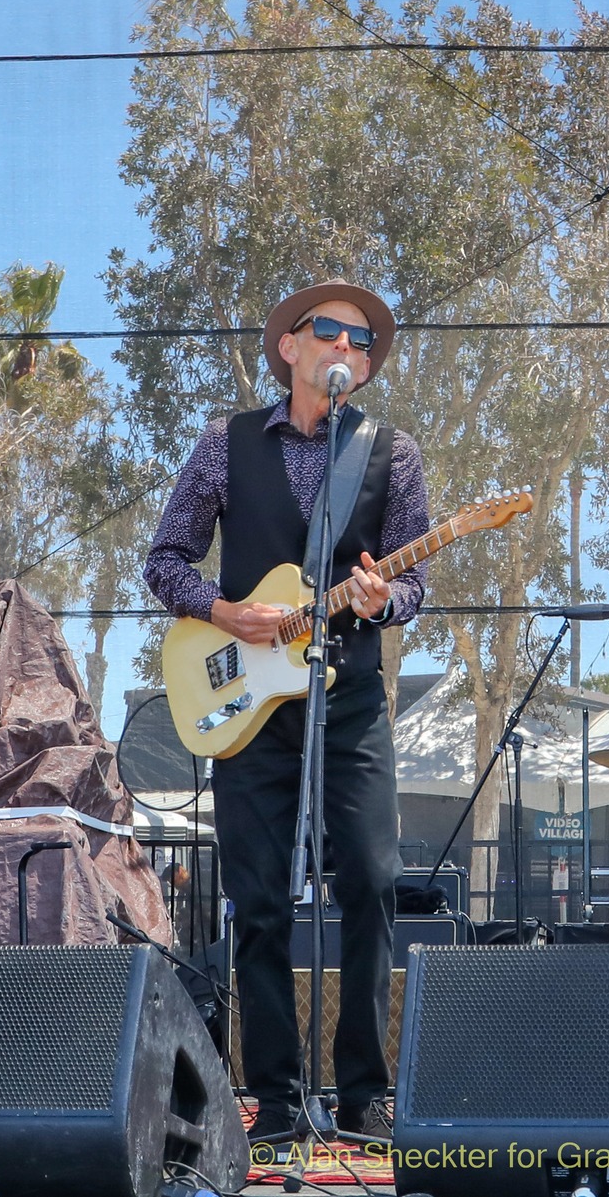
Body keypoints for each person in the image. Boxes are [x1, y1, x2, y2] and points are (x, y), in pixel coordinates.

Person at [143, 282, 428, 1146]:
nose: (348, 344)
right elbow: (164, 561)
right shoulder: (225, 444)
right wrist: (227, 614)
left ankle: (364, 1094)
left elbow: (413, 588)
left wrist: (381, 600)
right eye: (330, 330)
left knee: (373, 883)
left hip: (350, 700)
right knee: (259, 897)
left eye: (363, 339)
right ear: (291, 348)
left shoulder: (393, 452)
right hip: (248, 702)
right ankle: (271, 1095)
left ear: (367, 366)